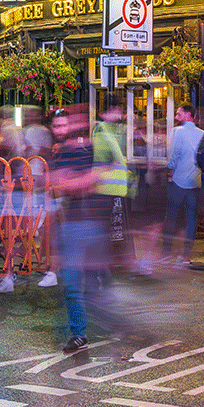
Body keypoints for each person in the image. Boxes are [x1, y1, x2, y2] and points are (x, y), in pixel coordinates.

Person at [47, 107, 104, 352]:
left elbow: (91, 181)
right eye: (56, 126)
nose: (60, 130)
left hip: (91, 224)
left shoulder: (86, 151)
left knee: (92, 287)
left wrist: (69, 181)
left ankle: (103, 322)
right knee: (71, 285)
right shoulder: (58, 155)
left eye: (64, 125)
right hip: (71, 226)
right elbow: (52, 183)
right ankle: (79, 333)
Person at [92, 95, 138, 273]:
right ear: (110, 111)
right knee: (112, 229)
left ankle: (113, 262)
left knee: (116, 229)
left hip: (117, 188)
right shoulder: (102, 130)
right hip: (107, 189)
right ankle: (107, 264)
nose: (121, 114)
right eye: (118, 110)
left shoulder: (114, 130)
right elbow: (103, 159)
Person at [162, 105, 204, 268]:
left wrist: (170, 173)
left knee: (171, 216)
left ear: (188, 114)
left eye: (179, 112)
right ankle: (186, 254)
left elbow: (174, 154)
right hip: (194, 180)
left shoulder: (176, 132)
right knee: (191, 217)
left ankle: (166, 252)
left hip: (178, 179)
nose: (176, 114)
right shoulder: (202, 134)